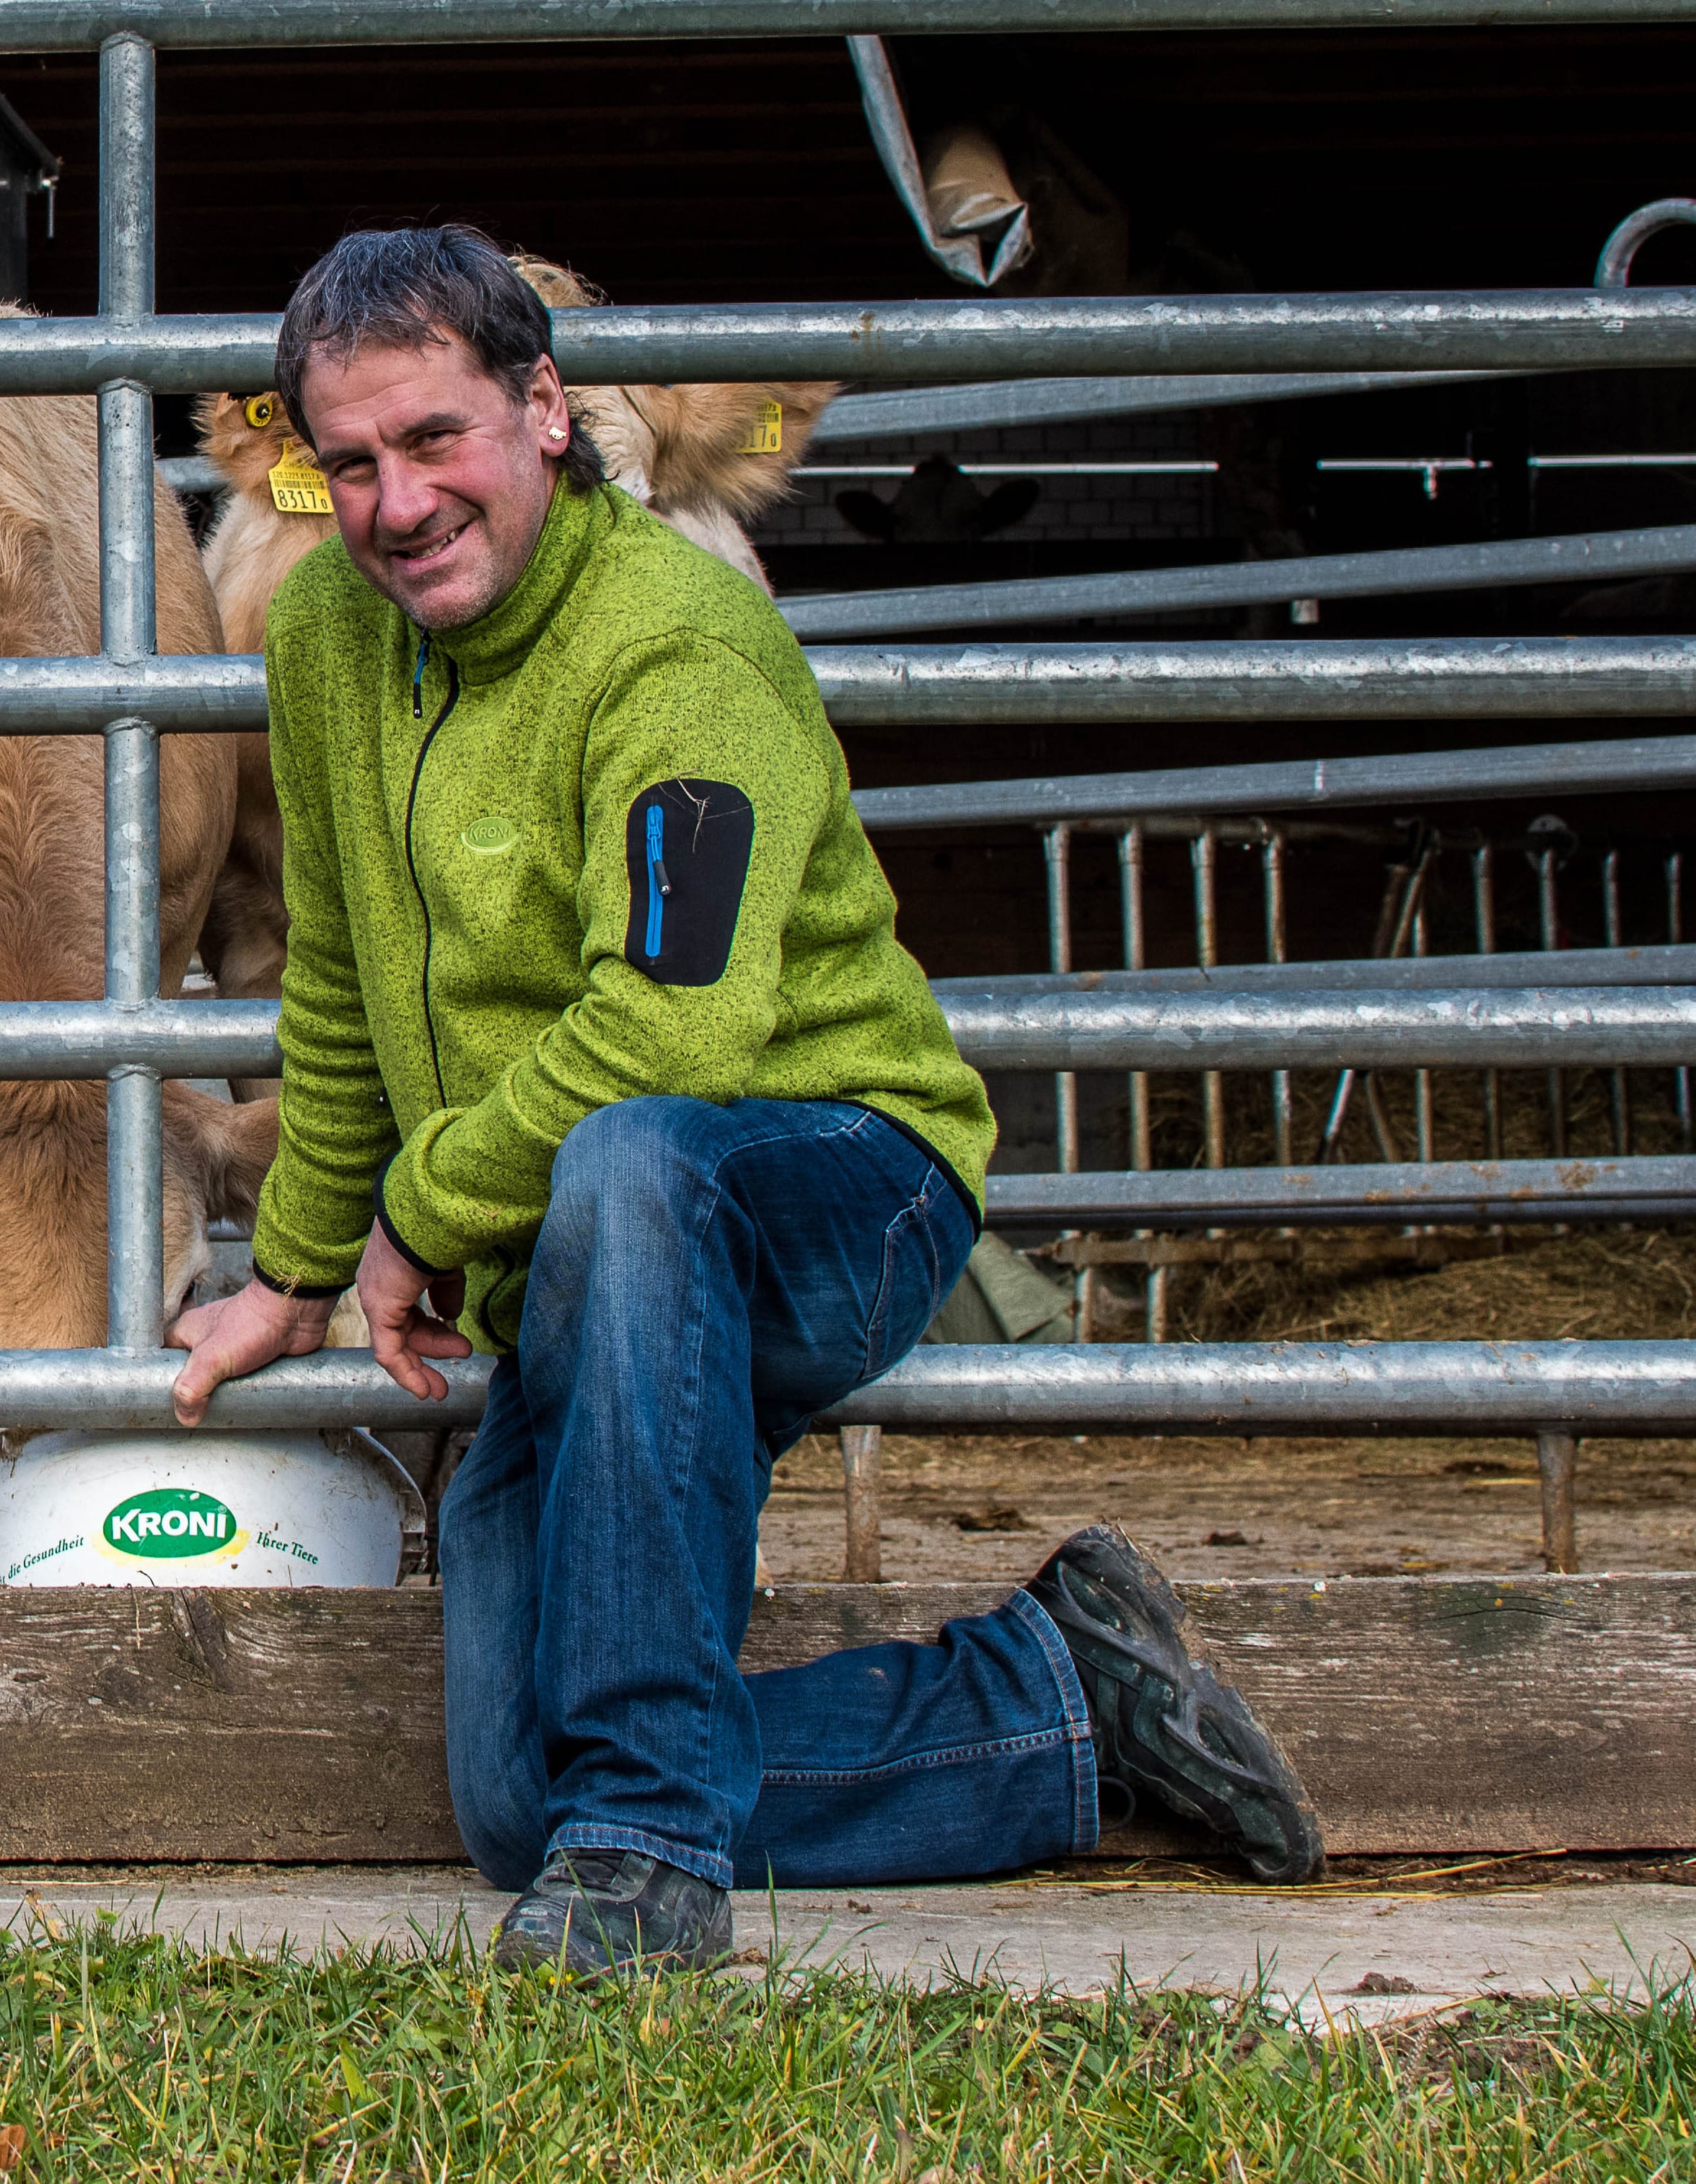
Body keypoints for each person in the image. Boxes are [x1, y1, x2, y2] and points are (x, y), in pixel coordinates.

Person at [167, 226, 1319, 1974]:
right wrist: (300, 1256)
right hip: (564, 1226)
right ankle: (1052, 1695)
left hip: (829, 1174)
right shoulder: (329, 632)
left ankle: (645, 1855)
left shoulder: (681, 648)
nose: (394, 504)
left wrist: (421, 1208)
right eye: (350, 462)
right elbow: (330, 969)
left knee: (634, 1161)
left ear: (544, 410)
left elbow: (669, 1039)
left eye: (435, 440)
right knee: (512, 1798)